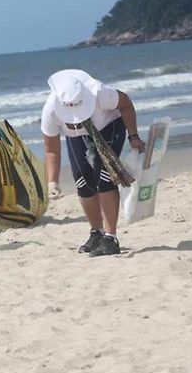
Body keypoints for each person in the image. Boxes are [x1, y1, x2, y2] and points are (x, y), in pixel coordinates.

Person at [41, 69, 145, 257]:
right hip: (77, 135)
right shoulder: (51, 110)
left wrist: (134, 136)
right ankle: (96, 232)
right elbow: (51, 150)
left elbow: (126, 104)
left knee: (104, 178)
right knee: (83, 182)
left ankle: (111, 237)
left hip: (109, 127)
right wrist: (52, 182)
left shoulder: (101, 93)